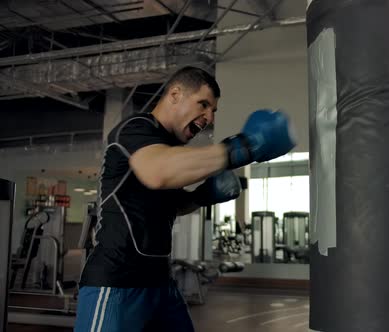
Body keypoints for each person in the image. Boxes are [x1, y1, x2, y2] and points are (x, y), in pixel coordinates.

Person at [74, 66, 296, 332]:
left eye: (213, 111)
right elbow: (158, 172)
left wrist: (203, 196)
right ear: (176, 95)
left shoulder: (170, 149)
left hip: (160, 284)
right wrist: (245, 147)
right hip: (116, 283)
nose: (209, 118)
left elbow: (174, 205)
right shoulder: (136, 129)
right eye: (203, 104)